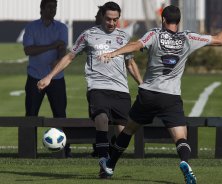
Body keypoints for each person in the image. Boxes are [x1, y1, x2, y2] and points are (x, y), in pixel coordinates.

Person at [99, 5, 222, 184]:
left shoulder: (154, 34)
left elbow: (136, 45)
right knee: (180, 137)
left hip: (148, 94)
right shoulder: (188, 37)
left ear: (163, 20)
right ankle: (184, 162)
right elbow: (220, 40)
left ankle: (110, 165)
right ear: (178, 22)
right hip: (170, 97)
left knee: (128, 130)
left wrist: (113, 53)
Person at [37, 1, 143, 178]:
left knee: (124, 133)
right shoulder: (88, 35)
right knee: (101, 118)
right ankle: (103, 159)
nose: (112, 23)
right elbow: (70, 57)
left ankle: (109, 162)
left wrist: (142, 84)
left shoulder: (123, 37)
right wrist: (49, 76)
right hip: (98, 87)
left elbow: (130, 63)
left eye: (115, 20)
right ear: (102, 16)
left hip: (120, 90)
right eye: (109, 19)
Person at [22, 0, 72, 157]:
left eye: (55, 7)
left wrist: (59, 58)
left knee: (60, 115)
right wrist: (52, 46)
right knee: (31, 115)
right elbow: (29, 50)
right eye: (49, 7)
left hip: (56, 78)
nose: (53, 10)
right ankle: (29, 151)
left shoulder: (62, 28)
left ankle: (65, 151)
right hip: (35, 77)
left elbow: (62, 47)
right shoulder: (31, 27)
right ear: (41, 8)